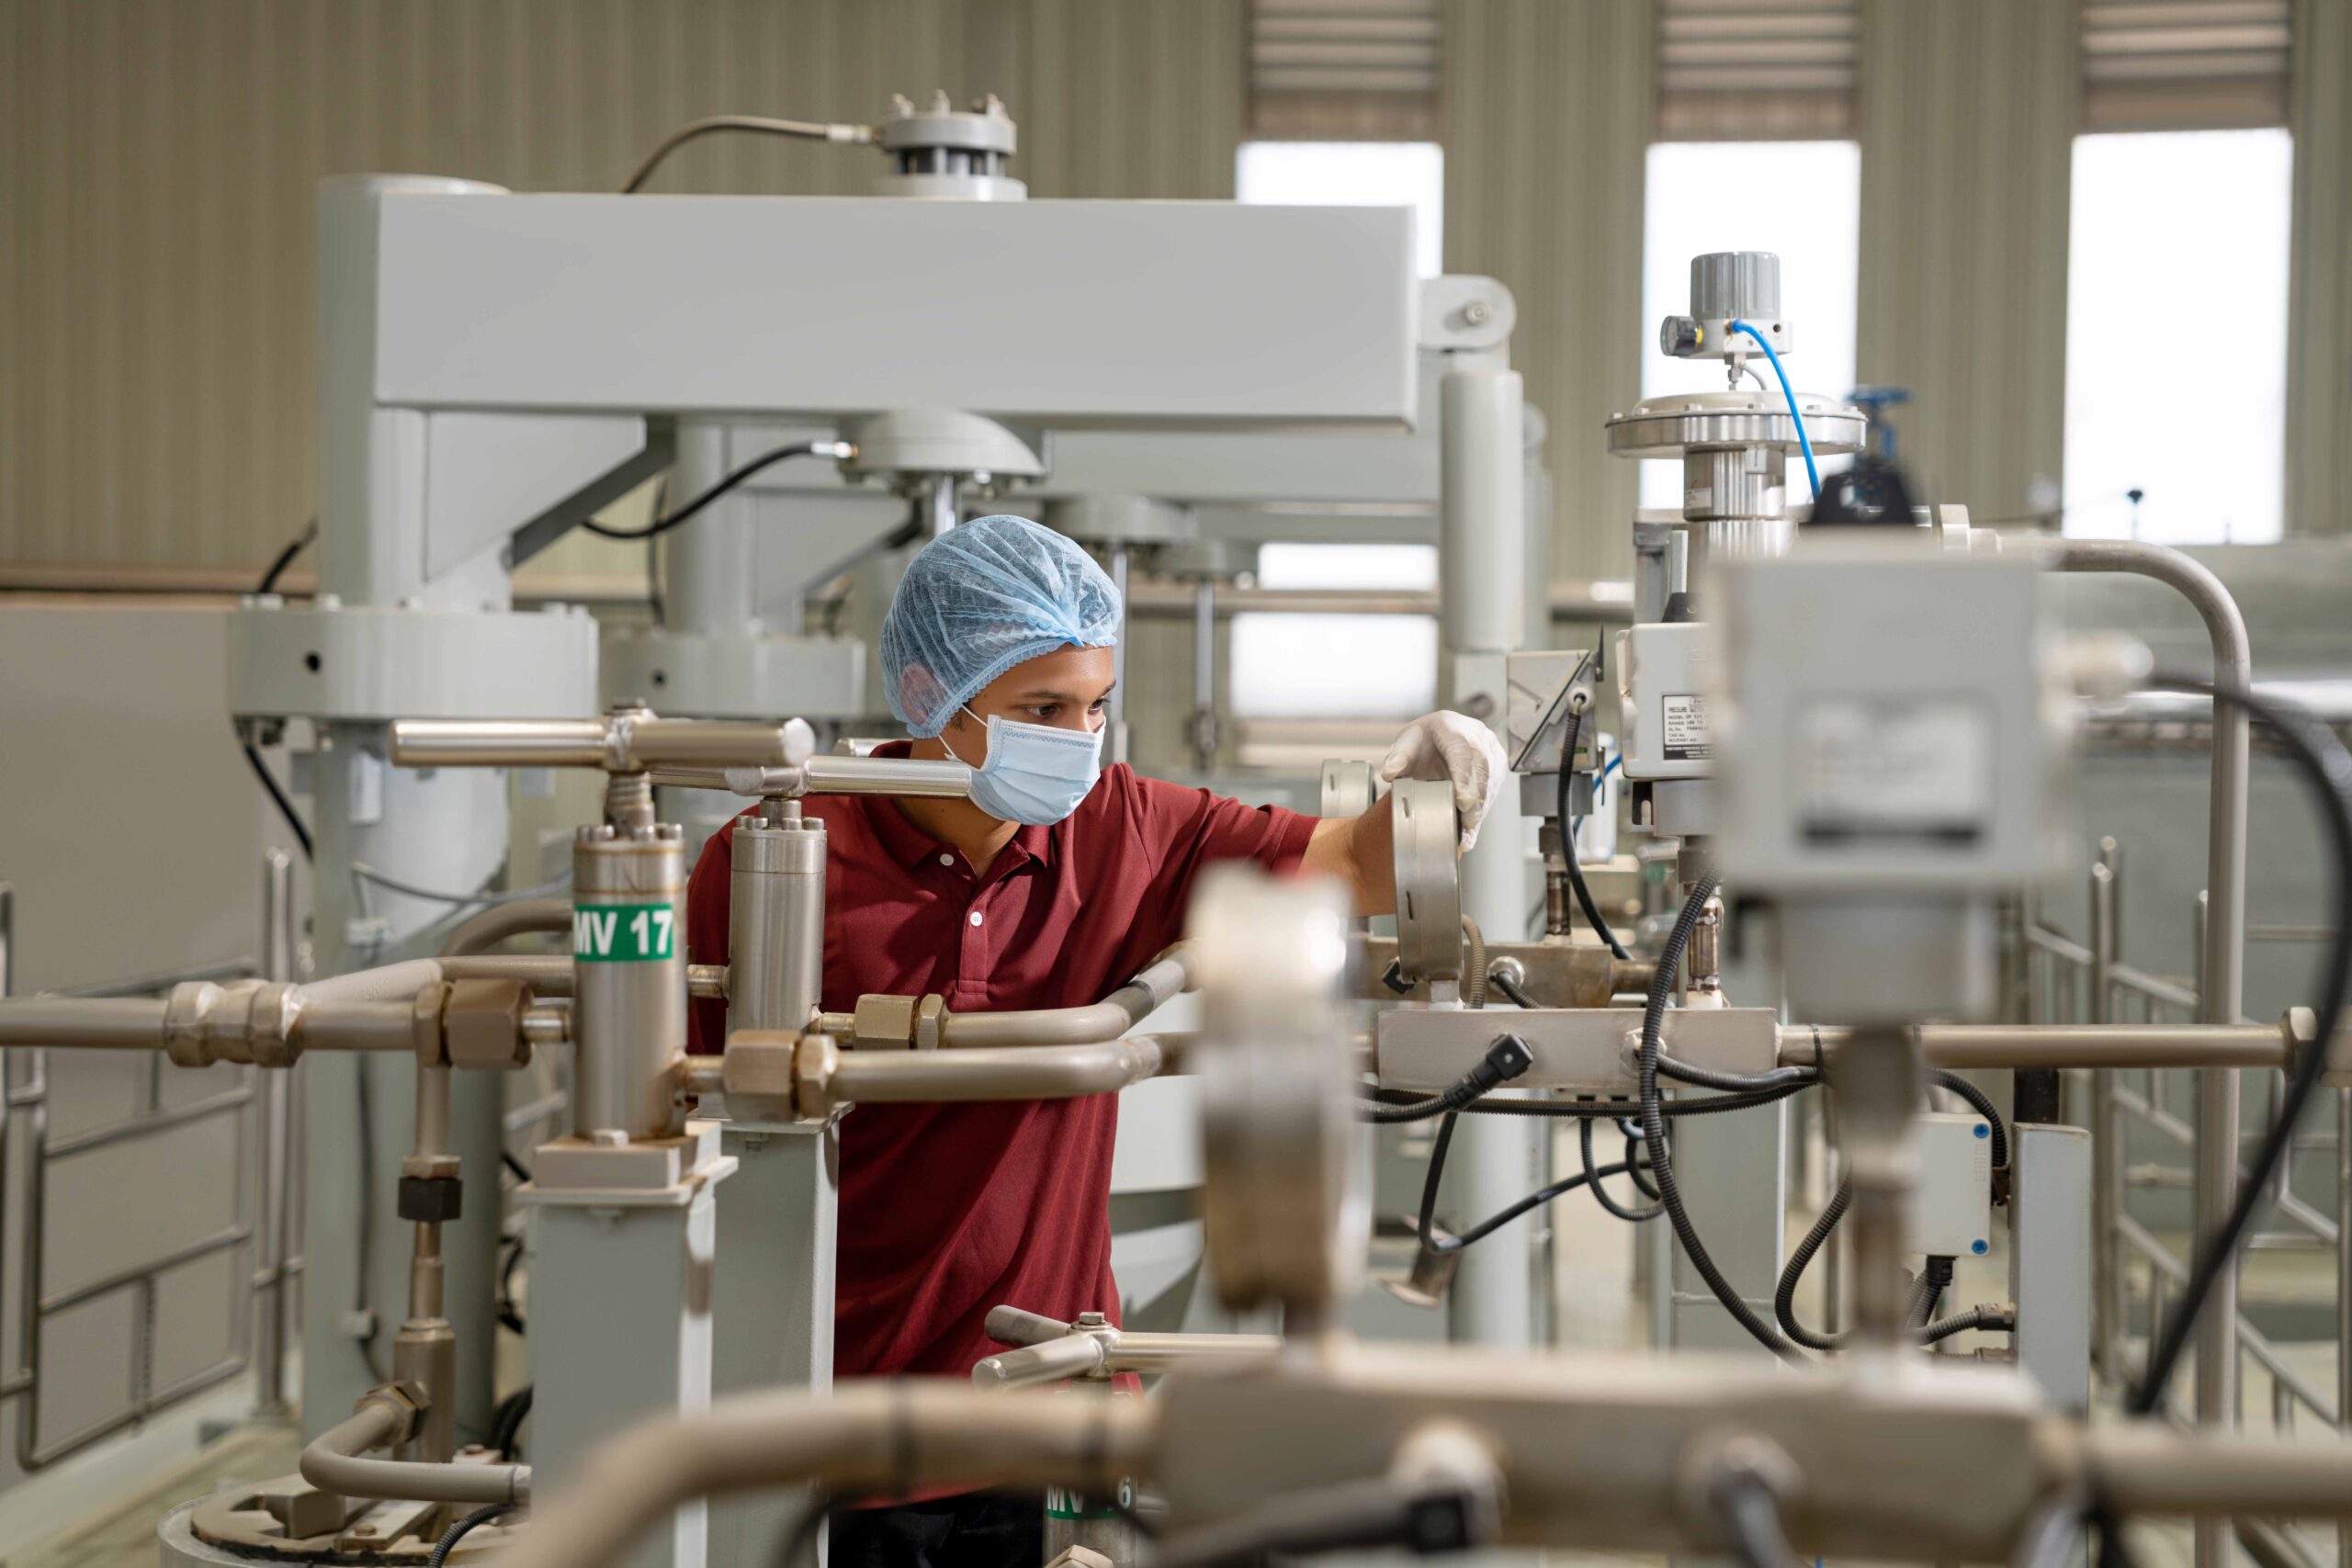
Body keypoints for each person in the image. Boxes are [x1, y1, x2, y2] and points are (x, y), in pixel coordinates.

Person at [684, 513, 1503, 1568]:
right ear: (933, 697)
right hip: (824, 1402)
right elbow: (702, 1124)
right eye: (1042, 709)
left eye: (1094, 707)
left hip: (1038, 1387)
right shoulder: (779, 856)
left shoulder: (1125, 825)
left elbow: (1358, 866)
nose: (1077, 740)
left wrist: (1441, 789)